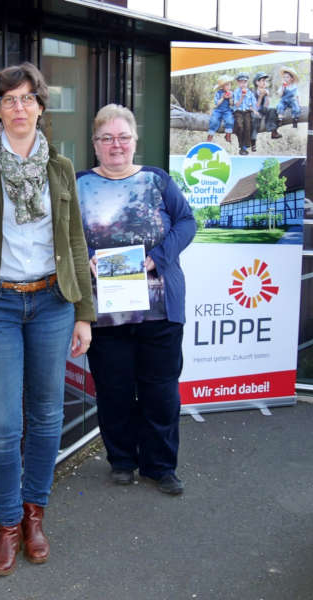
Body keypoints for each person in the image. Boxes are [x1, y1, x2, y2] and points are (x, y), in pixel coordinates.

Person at [0, 62, 94, 577]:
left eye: (28, 99)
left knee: (48, 415)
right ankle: (7, 523)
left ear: (40, 107)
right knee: (3, 423)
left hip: (54, 302)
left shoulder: (60, 167)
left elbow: (75, 239)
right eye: (8, 100)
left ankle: (36, 514)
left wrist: (84, 313)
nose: (19, 108)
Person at [76, 104, 197, 495]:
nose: (116, 145)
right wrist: (85, 260)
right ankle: (123, 461)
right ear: (95, 144)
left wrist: (157, 258)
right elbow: (63, 238)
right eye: (107, 138)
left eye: (123, 137)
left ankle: (161, 467)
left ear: (134, 141)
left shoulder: (157, 180)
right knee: (113, 389)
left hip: (159, 308)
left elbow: (187, 222)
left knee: (160, 390)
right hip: (104, 310)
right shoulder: (78, 184)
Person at [251, 71, 281, 152]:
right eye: (262, 81)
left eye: (265, 81)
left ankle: (273, 132)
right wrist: (260, 97)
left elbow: (267, 105)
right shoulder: (253, 93)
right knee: (255, 119)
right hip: (255, 110)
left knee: (272, 110)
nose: (264, 83)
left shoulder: (265, 90)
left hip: (263, 109)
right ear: (257, 82)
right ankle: (253, 142)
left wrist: (267, 96)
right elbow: (256, 107)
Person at [232, 72, 256, 155]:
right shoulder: (236, 92)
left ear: (247, 82)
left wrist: (254, 110)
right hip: (238, 112)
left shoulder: (250, 93)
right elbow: (236, 104)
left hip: (246, 112)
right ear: (238, 83)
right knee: (240, 126)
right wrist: (242, 97)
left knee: (248, 126)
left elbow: (253, 105)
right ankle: (241, 146)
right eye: (241, 82)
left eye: (245, 82)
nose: (243, 84)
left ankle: (246, 146)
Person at [206, 74, 234, 144]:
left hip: (227, 110)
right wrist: (223, 98)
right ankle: (210, 135)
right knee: (214, 120)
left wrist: (230, 98)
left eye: (229, 84)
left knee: (230, 120)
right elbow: (216, 104)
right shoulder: (218, 93)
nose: (229, 86)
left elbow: (231, 104)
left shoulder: (231, 93)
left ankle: (228, 135)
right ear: (222, 86)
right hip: (218, 110)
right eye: (226, 85)